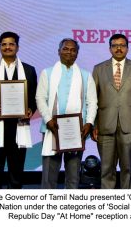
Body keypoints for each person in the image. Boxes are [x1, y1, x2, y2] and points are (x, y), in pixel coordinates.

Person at [36, 38, 97, 189]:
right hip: (53, 129)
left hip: (77, 131)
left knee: (73, 176)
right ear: (59, 51)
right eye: (65, 49)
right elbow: (40, 98)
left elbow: (92, 102)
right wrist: (48, 119)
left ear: (77, 53)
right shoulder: (47, 73)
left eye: (73, 50)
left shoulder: (86, 75)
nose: (69, 52)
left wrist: (89, 123)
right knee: (49, 176)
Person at [92, 34, 131, 189]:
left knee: (127, 168)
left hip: (130, 126)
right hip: (105, 126)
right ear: (110, 48)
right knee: (106, 169)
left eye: (122, 45)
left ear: (127, 48)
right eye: (115, 45)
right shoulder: (98, 69)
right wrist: (93, 125)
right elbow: (92, 99)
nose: (118, 48)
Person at [0, 31, 37, 189]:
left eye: (11, 44)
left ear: (17, 47)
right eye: (4, 44)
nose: (7, 47)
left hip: (19, 125)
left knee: (17, 171)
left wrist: (30, 109)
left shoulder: (28, 70)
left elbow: (33, 98)